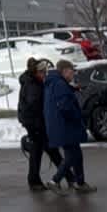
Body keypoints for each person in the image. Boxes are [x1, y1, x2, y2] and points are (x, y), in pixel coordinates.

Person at [43, 60, 96, 193]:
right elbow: (65, 106)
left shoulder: (55, 82)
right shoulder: (60, 84)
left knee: (76, 155)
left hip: (61, 126)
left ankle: (80, 182)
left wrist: (73, 88)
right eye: (72, 71)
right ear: (65, 71)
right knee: (72, 156)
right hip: (65, 126)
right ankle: (54, 181)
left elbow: (61, 97)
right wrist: (78, 117)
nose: (73, 74)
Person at [17, 57, 62, 191]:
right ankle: (35, 181)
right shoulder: (33, 85)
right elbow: (34, 105)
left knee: (47, 149)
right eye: (43, 72)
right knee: (41, 150)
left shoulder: (34, 82)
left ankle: (66, 175)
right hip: (34, 123)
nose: (45, 74)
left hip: (34, 122)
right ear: (36, 72)